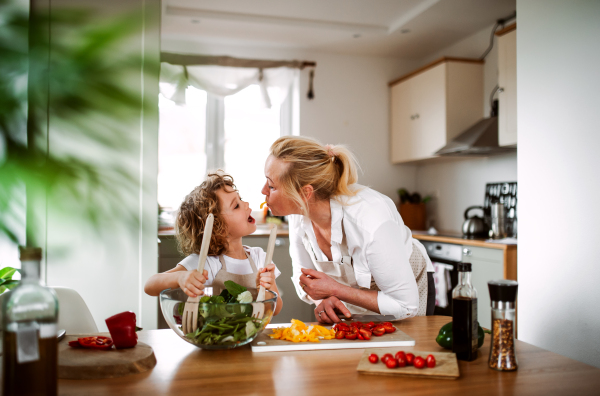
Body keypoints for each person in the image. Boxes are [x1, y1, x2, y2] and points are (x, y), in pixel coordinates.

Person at [261, 136, 434, 324]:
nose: (263, 191)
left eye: (271, 186)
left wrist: (335, 290)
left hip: (405, 293)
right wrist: (322, 301)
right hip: (352, 298)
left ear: (305, 193)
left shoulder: (370, 219)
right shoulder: (298, 213)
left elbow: (405, 305)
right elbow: (303, 279)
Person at [145, 171, 283, 316]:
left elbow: (276, 309)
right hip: (215, 337)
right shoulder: (206, 263)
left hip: (253, 338)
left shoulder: (259, 257)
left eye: (240, 198)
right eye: (236, 205)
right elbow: (150, 285)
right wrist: (180, 277)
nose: (246, 204)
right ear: (217, 228)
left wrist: (267, 288)